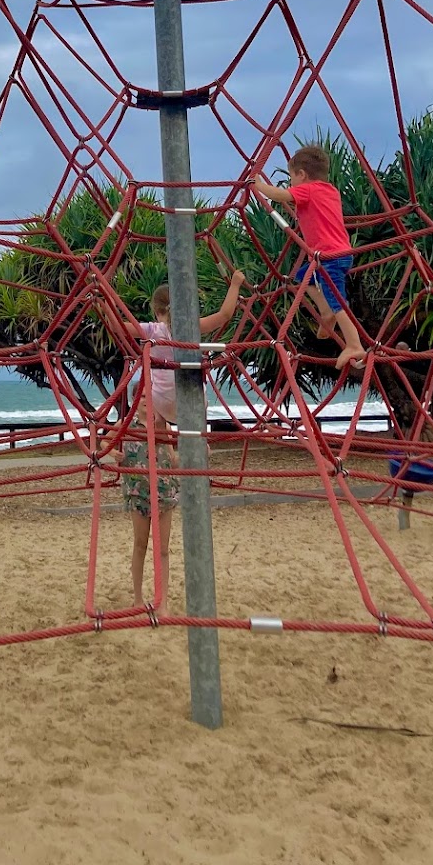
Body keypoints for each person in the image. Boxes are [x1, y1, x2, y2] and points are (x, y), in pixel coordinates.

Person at [115, 271, 246, 609]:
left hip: (159, 401)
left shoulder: (153, 330)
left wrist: (105, 299)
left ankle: (173, 445)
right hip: (188, 400)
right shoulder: (186, 327)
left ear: (155, 309)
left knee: (153, 411)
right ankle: (196, 442)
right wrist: (234, 283)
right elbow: (225, 316)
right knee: (195, 403)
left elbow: (120, 327)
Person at [252, 145, 367, 372]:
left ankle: (354, 344)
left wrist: (256, 184)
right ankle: (324, 311)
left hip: (329, 257)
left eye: (292, 177)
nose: (291, 183)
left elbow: (279, 195)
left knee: (338, 301)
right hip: (339, 254)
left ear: (302, 175)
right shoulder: (330, 190)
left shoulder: (308, 190)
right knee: (303, 277)